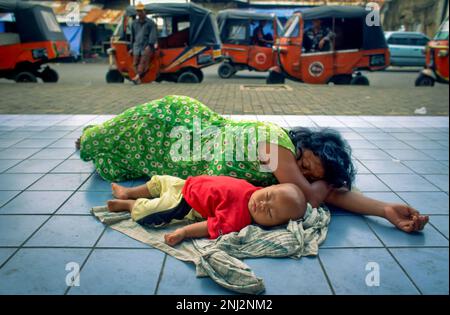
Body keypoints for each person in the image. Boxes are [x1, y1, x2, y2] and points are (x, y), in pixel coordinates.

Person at [76, 95, 429, 234]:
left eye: (309, 177)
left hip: (170, 157)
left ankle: (91, 138)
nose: (302, 177)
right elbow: (310, 196)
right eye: (307, 166)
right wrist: (316, 189)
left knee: (116, 159)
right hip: (176, 124)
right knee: (103, 139)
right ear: (305, 146)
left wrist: (385, 210)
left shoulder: (286, 176)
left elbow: (326, 194)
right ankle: (88, 136)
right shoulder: (274, 139)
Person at [107, 175, 306, 246]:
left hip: (185, 205)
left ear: (271, 225)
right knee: (161, 181)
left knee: (150, 212)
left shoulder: (238, 219)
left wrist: (184, 232)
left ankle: (130, 205)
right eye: (268, 197)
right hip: (188, 183)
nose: (262, 205)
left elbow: (209, 226)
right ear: (268, 187)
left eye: (269, 213)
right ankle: (129, 192)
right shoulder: (252, 188)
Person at [129, 2, 157, 84]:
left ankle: (137, 77)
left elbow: (153, 35)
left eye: (141, 11)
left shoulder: (150, 23)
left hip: (146, 46)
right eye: (138, 11)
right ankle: (139, 77)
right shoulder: (134, 23)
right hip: (136, 46)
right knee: (134, 63)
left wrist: (150, 45)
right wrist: (131, 48)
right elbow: (132, 37)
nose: (139, 13)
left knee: (143, 62)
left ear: (144, 12)